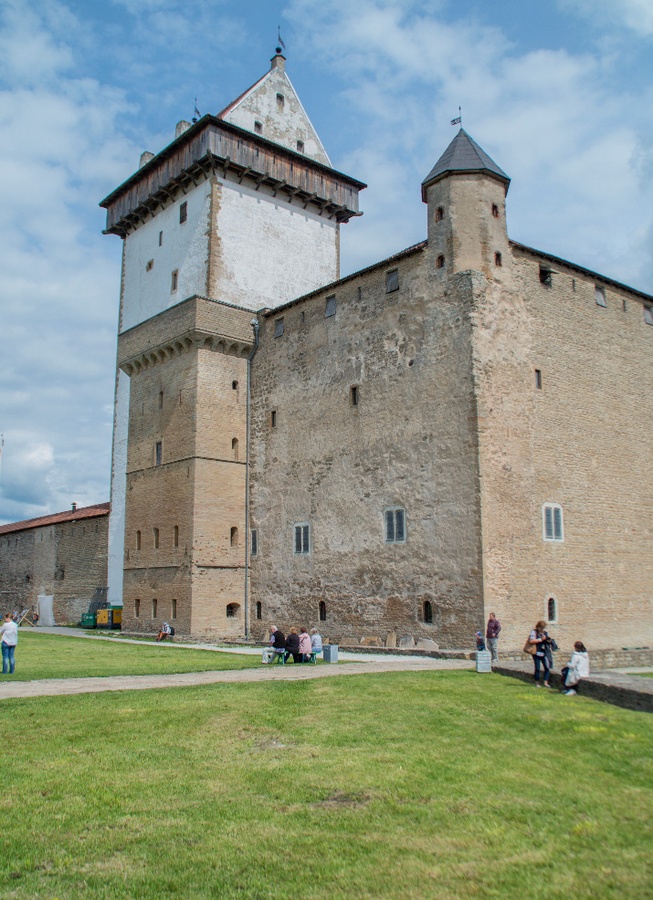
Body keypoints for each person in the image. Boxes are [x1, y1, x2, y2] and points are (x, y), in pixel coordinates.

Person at [528, 620, 553, 687]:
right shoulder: (534, 632)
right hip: (536, 653)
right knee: (537, 668)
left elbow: (548, 641)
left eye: (543, 628)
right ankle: (537, 683)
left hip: (544, 653)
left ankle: (546, 682)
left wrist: (548, 640)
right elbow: (531, 641)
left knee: (547, 668)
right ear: (538, 627)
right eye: (541, 628)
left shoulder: (545, 633)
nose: (542, 629)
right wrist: (540, 640)